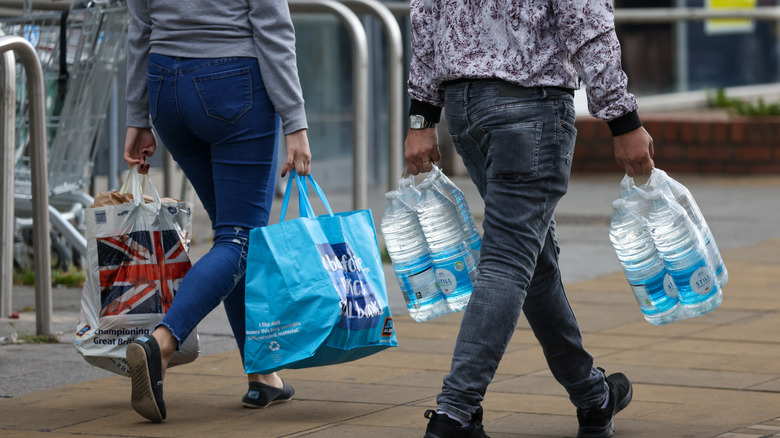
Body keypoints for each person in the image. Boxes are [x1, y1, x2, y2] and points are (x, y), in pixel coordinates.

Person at [404, 1, 654, 437]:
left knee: (533, 259)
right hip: (530, 105)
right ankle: (455, 414)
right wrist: (623, 120)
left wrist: (422, 115)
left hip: (466, 109)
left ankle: (592, 397)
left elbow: (425, 11)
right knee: (507, 261)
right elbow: (585, 20)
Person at [122, 0, 311, 423]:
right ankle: (161, 344)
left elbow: (139, 28)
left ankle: (262, 374)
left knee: (235, 237)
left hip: (166, 88)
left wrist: (137, 114)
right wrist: (295, 122)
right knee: (240, 238)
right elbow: (272, 26)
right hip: (233, 86)